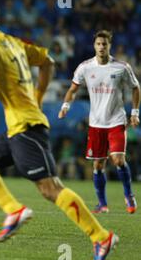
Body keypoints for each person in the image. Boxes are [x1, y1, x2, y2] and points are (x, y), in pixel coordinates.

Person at [0, 0, 117, 260]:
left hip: (27, 128)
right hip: (18, 127)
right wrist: (38, 96)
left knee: (49, 188)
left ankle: (100, 236)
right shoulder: (13, 42)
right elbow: (48, 63)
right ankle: (14, 210)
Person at [58, 30, 139, 214]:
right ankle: (102, 204)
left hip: (116, 121)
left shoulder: (121, 67)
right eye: (98, 44)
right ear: (94, 46)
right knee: (97, 165)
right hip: (96, 124)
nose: (102, 47)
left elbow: (136, 88)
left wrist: (134, 113)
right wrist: (65, 106)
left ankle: (129, 196)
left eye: (105, 44)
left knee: (118, 160)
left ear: (109, 46)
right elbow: (72, 90)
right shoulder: (85, 67)